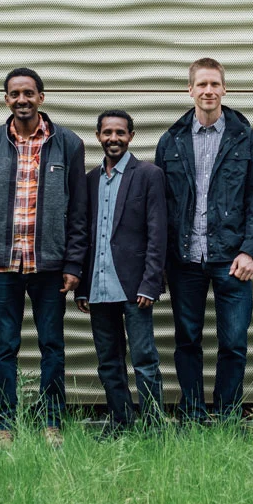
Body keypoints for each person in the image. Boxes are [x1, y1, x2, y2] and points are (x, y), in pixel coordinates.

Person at [0, 67, 88, 450]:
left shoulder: (68, 143)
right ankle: (6, 426)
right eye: (15, 93)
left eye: (29, 93)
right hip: (1, 266)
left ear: (41, 97)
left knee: (52, 345)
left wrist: (73, 264)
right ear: (6, 99)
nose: (22, 99)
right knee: (5, 347)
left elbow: (79, 211)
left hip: (49, 267)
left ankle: (52, 423)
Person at [155, 57, 253, 423]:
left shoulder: (245, 139)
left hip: (232, 258)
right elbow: (162, 206)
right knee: (187, 340)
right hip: (184, 259)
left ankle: (228, 415)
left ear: (224, 88)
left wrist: (250, 251)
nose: (208, 91)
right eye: (201, 84)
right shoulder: (170, 141)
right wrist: (162, 260)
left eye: (214, 84)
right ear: (190, 90)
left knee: (233, 342)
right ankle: (191, 413)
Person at [75, 110, 167, 438]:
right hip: (98, 286)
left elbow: (158, 233)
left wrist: (151, 283)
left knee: (144, 359)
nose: (113, 138)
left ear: (131, 136)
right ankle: (120, 422)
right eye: (107, 132)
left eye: (120, 132)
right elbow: (83, 235)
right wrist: (82, 286)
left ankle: (154, 426)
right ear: (98, 136)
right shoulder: (89, 180)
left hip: (134, 287)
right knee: (108, 362)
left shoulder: (149, 175)